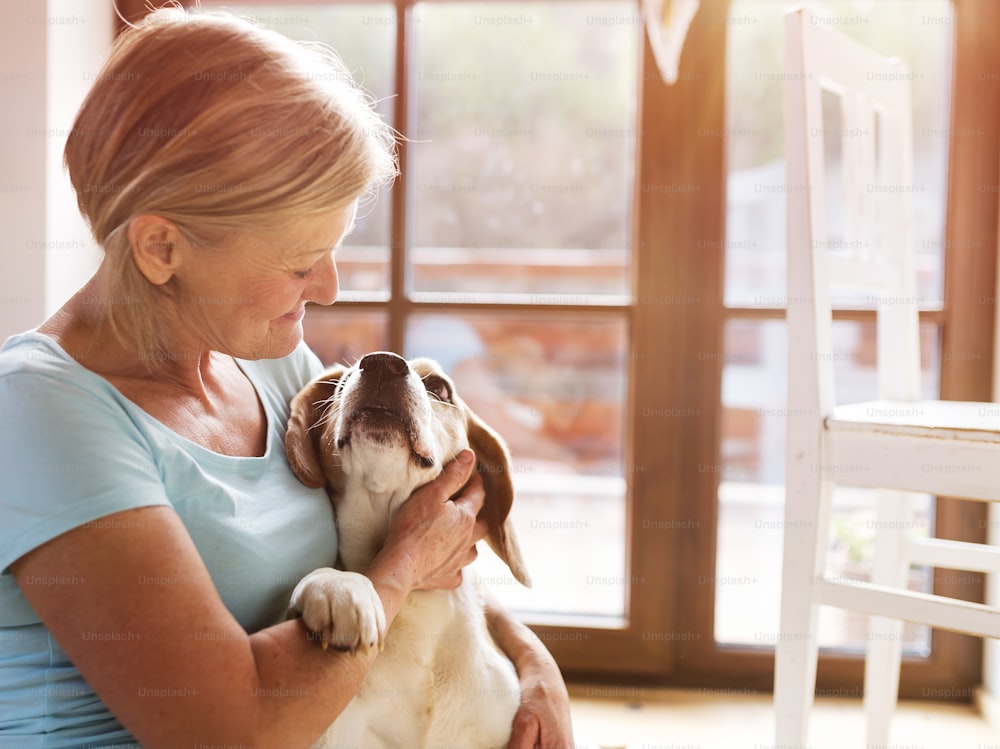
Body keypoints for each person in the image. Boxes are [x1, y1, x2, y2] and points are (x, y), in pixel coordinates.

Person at [0, 7, 575, 748]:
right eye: (301, 262)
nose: (329, 286)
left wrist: (531, 660)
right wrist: (398, 569)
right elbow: (231, 727)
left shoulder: (272, 367)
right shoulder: (39, 412)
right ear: (161, 247)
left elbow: (419, 540)